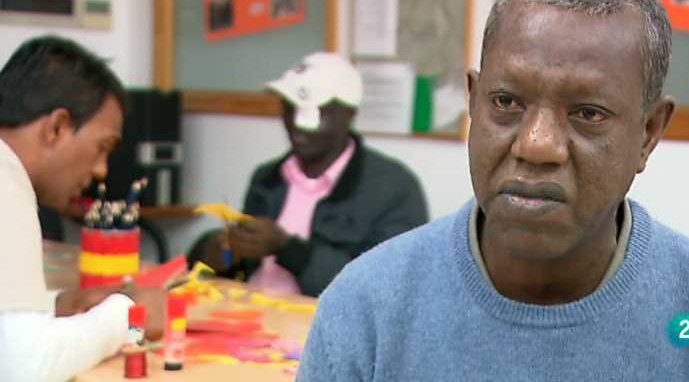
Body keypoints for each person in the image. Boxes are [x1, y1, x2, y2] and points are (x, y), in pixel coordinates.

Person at [297, 0, 689, 381]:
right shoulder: (365, 310)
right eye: (506, 102)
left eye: (588, 113)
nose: (537, 145)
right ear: (473, 102)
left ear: (648, 133)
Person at [189, 52, 428, 297]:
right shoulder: (267, 178)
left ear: (348, 114)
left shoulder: (395, 189)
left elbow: (386, 289)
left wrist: (288, 249)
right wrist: (222, 254)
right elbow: (238, 272)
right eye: (289, 107)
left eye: (311, 112)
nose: (296, 123)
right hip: (249, 312)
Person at [0, 36, 166, 382]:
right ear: (57, 128)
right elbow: (26, 368)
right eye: (102, 147)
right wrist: (129, 316)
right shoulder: (6, 178)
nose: (101, 170)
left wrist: (59, 305)